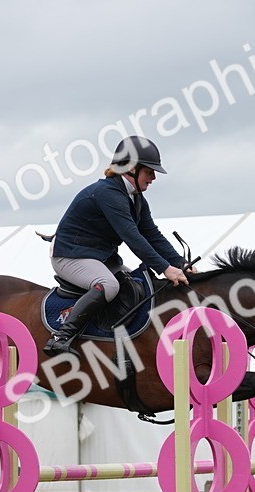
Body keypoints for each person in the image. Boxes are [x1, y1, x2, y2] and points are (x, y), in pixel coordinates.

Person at [44, 135, 196, 356]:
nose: (153, 177)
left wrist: (180, 263)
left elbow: (152, 235)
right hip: (69, 256)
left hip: (98, 257)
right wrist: (165, 268)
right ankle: (60, 337)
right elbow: (132, 236)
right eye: (149, 171)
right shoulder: (108, 193)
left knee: (139, 284)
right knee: (109, 286)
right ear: (132, 168)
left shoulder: (136, 199)